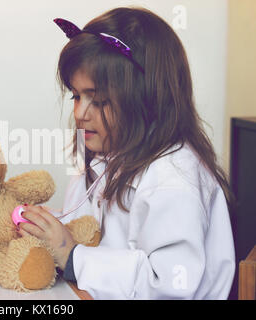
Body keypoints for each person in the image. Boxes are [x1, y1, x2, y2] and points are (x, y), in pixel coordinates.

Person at [17, 7, 236, 299]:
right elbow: (95, 232)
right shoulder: (109, 154)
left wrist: (71, 256)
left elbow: (170, 285)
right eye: (76, 95)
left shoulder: (173, 179)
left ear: (148, 101)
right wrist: (46, 226)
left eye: (100, 100)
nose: (80, 113)